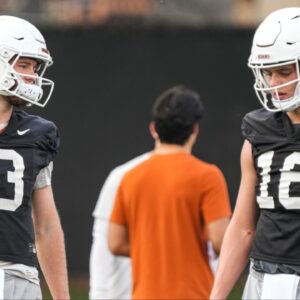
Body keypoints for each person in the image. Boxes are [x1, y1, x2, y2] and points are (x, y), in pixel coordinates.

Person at [108, 85, 232, 299]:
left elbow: (115, 242)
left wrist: (149, 247)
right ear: (195, 129)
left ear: (154, 128)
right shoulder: (208, 176)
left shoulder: (130, 177)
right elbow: (222, 242)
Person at [210, 7, 300, 300]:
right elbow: (244, 226)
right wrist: (217, 295)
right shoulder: (258, 131)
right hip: (265, 275)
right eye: (268, 72)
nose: (274, 83)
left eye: (284, 71)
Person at [0, 16, 69, 299]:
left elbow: (46, 224)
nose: (32, 76)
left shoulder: (37, 133)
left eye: (35, 68)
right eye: (24, 65)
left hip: (20, 274)